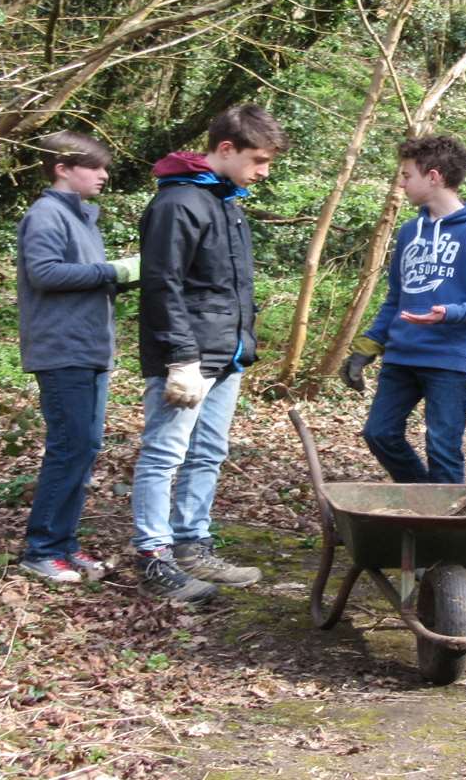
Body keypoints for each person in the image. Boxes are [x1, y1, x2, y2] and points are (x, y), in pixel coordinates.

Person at [131, 105, 287, 603]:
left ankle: (192, 544)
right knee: (164, 454)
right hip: (188, 357)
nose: (263, 171)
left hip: (226, 355)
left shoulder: (226, 201)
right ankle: (154, 558)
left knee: (208, 453)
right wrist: (182, 358)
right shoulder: (177, 204)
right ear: (225, 149)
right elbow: (162, 285)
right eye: (258, 160)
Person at [343, 135, 466, 484]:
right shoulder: (409, 232)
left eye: (406, 176)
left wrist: (450, 312)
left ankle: (447, 533)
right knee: (380, 433)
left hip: (451, 358)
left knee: (442, 447)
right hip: (403, 357)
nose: (402, 184)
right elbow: (396, 298)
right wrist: (367, 348)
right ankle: (425, 503)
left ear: (433, 177)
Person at [14, 132, 141, 585]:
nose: (103, 175)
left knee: (84, 449)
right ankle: (41, 549)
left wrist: (123, 275)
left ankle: (64, 546)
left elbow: (83, 279)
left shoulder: (83, 219)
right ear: (62, 168)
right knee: (70, 448)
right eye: (94, 166)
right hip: (61, 350)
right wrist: (114, 271)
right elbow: (44, 272)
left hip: (90, 351)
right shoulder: (46, 214)